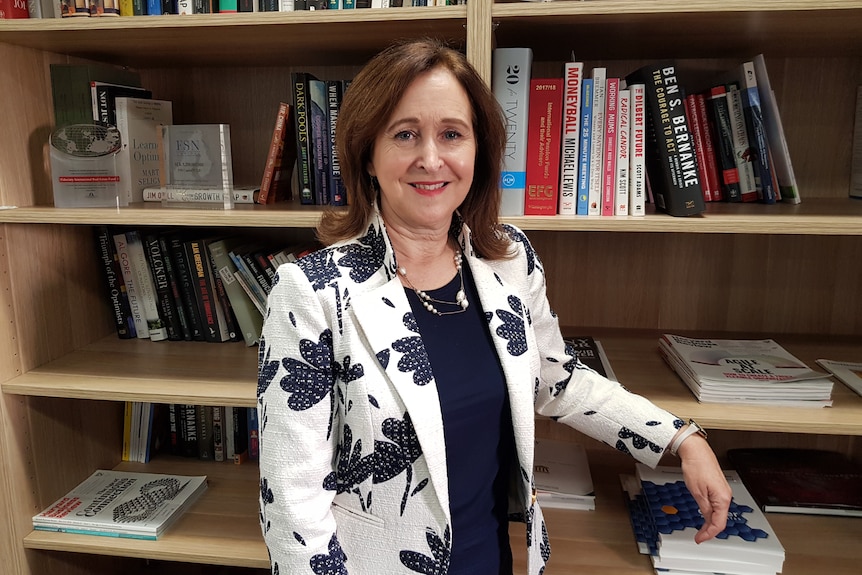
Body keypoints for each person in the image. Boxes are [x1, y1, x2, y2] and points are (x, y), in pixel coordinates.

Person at [257, 38, 732, 575]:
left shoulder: (508, 257)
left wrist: (680, 438)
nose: (430, 158)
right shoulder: (312, 291)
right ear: (368, 152)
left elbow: (555, 378)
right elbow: (291, 501)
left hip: (493, 559)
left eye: (452, 134)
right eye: (405, 134)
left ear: (477, 151)